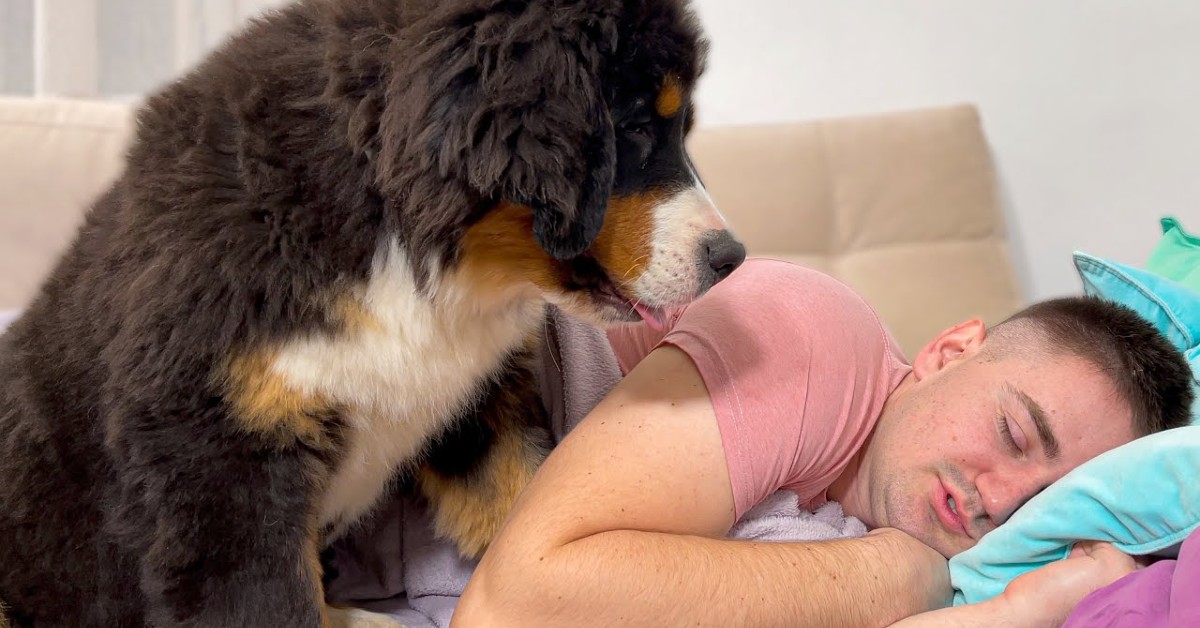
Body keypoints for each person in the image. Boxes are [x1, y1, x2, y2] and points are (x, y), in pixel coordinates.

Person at [450, 257, 1195, 628]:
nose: (994, 500)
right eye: (1012, 433)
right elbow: (514, 604)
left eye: (1039, 503)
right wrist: (899, 571)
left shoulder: (833, 516)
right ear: (951, 348)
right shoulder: (808, 334)